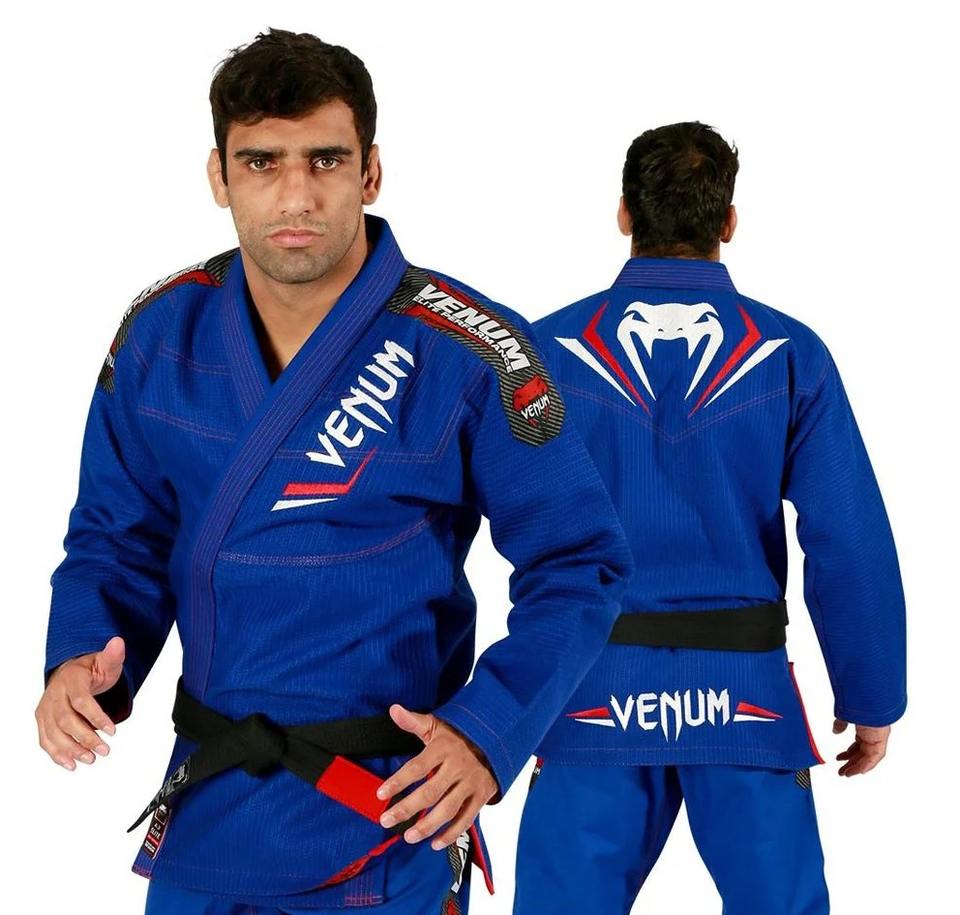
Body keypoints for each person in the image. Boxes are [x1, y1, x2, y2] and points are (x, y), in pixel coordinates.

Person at [36, 29, 632, 914]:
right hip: (209, 815)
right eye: (261, 162)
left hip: (384, 815)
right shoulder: (161, 336)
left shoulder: (469, 350)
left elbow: (579, 562)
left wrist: (486, 732)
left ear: (371, 172)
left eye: (325, 160)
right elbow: (116, 539)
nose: (296, 194)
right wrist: (82, 657)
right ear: (218, 176)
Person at [513, 122, 906, 915]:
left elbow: (474, 517)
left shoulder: (544, 352)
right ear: (728, 221)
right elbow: (848, 536)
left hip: (591, 696)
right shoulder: (788, 353)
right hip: (744, 700)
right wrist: (872, 694)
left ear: (624, 214)